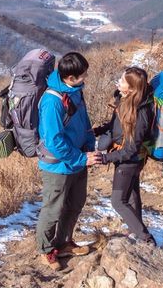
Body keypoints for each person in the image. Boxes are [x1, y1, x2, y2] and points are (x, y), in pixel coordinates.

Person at [35, 52, 103, 271]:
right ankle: (45, 250)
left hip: (78, 160)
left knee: (75, 204)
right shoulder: (52, 101)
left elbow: (84, 121)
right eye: (82, 75)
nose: (85, 77)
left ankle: (64, 242)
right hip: (58, 165)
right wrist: (81, 157)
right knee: (53, 209)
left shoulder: (75, 91)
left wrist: (90, 144)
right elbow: (54, 140)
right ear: (70, 77)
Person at [93, 66, 156, 245]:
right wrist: (97, 130)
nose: (118, 83)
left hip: (129, 161)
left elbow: (131, 149)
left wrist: (104, 158)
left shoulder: (140, 112)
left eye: (122, 81)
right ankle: (137, 232)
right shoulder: (125, 102)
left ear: (131, 88)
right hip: (126, 158)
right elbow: (115, 125)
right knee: (131, 195)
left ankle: (146, 238)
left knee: (118, 201)